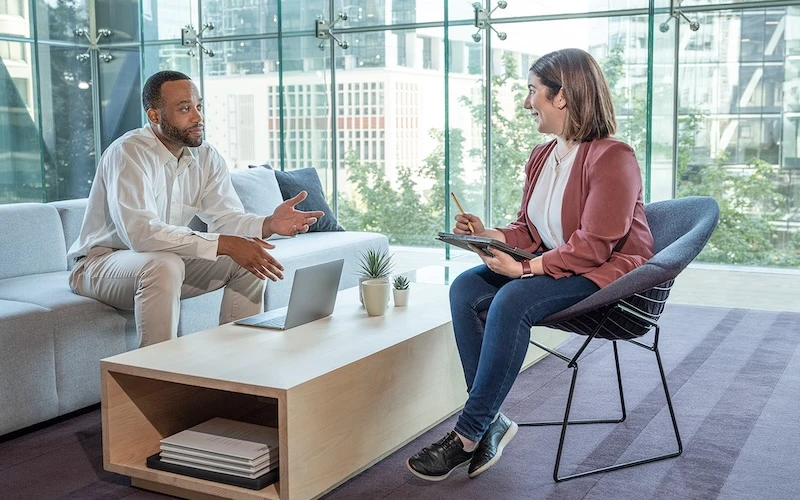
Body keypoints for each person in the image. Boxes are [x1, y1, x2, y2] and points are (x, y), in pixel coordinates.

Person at [407, 48, 655, 481]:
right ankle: (490, 420)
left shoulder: (613, 156)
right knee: (466, 288)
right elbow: (529, 228)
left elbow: (596, 246)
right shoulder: (543, 156)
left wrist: (524, 271)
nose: (526, 103)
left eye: (532, 91)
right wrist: (489, 236)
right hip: (558, 265)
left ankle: (467, 434)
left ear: (562, 97)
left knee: (512, 299)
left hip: (608, 276)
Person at [68, 70, 324, 348]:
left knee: (250, 258)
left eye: (199, 107)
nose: (198, 117)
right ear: (154, 116)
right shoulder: (128, 153)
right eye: (185, 108)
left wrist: (268, 224)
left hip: (163, 260)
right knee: (163, 264)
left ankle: (240, 369)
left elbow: (226, 218)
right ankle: (159, 378)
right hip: (101, 264)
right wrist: (225, 244)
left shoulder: (206, 156)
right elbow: (141, 235)